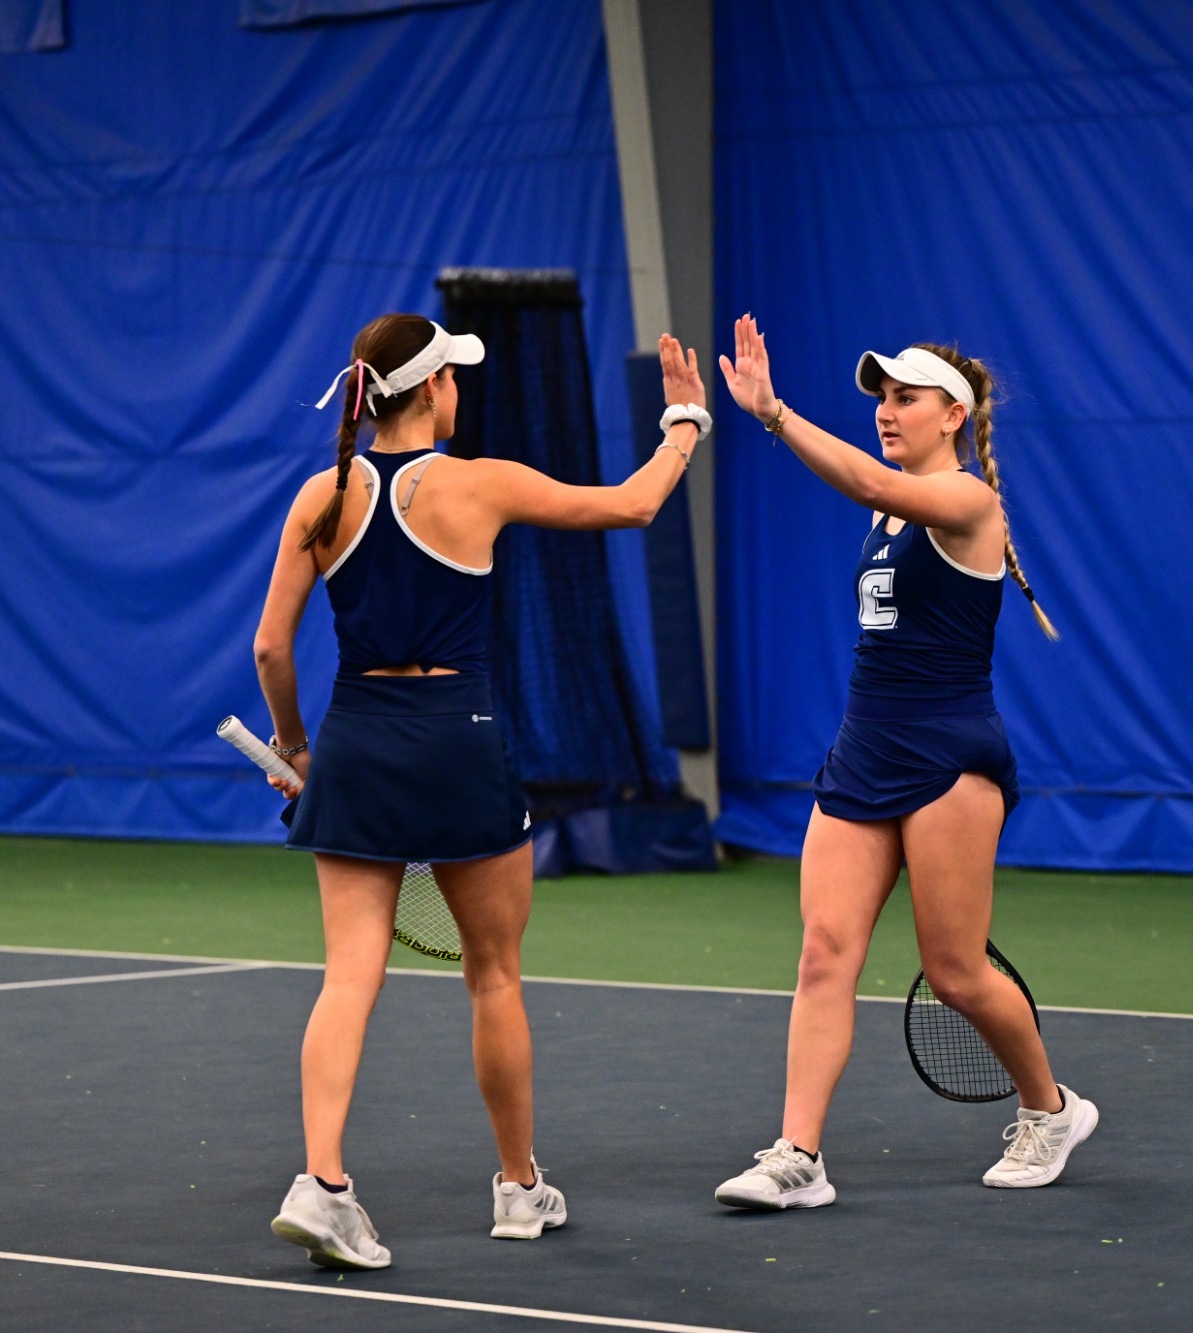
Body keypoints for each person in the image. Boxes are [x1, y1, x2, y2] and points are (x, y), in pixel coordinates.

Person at [253, 312, 709, 1266]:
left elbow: (269, 645)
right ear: (430, 392)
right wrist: (684, 426)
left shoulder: (317, 497)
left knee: (347, 977)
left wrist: (296, 746)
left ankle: (322, 1181)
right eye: (453, 374)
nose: (460, 387)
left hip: (358, 744)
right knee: (493, 974)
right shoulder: (479, 483)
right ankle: (516, 1188)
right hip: (461, 740)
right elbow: (633, 506)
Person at [711, 314, 1095, 1211]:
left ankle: (1052, 1108)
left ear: (953, 415)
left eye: (905, 398)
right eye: (881, 397)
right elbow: (874, 486)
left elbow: (866, 478)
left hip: (950, 756)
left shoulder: (969, 504)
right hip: (863, 749)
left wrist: (771, 413)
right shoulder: (892, 506)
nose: (887, 410)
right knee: (823, 954)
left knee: (955, 971)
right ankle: (797, 1155)